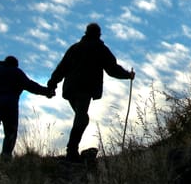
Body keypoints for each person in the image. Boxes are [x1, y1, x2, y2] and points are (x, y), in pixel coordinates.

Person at [47, 22, 135, 161]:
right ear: (99, 34)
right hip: (85, 88)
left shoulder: (74, 48)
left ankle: (72, 150)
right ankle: (71, 151)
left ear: (86, 33)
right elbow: (112, 69)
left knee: (81, 117)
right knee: (82, 118)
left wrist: (52, 84)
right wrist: (127, 75)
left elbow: (61, 68)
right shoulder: (100, 49)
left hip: (70, 89)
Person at [0, 55, 54, 161]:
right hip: (8, 104)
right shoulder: (16, 72)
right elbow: (31, 86)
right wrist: (47, 92)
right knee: (10, 131)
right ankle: (6, 157)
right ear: (15, 65)